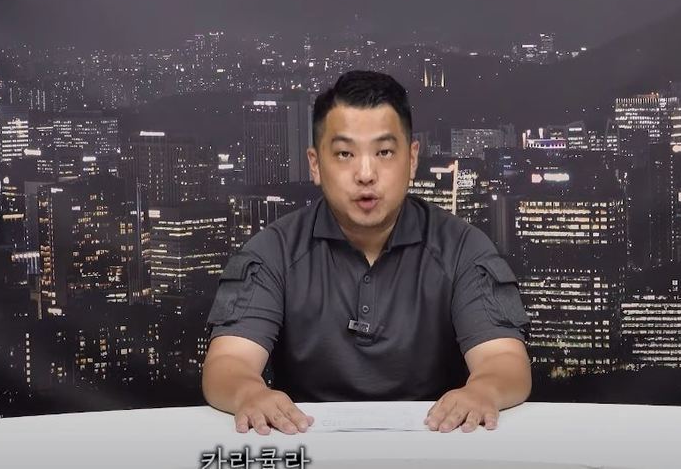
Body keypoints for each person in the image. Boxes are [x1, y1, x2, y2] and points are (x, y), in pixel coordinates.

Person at [202, 70, 531, 435]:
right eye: (344, 154)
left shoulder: (462, 248)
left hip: (437, 445)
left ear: (412, 159)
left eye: (384, 152)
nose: (365, 173)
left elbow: (504, 359)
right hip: (306, 443)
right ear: (315, 164)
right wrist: (248, 392)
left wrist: (484, 389)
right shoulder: (273, 251)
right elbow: (228, 361)